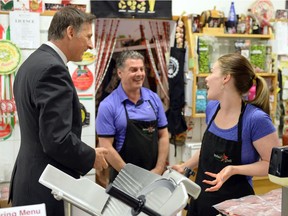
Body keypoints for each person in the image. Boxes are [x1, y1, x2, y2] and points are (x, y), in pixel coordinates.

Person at [9, 6, 108, 216]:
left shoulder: (31, 63)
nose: (91, 44)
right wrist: (91, 157)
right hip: (43, 186)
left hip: (28, 179)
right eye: (88, 36)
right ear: (70, 32)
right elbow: (56, 139)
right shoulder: (53, 69)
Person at [172, 53, 280, 216]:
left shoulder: (255, 120)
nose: (207, 79)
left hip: (234, 208)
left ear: (226, 78)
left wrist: (233, 169)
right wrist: (185, 166)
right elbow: (209, 151)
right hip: (200, 201)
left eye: (212, 72)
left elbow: (272, 166)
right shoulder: (212, 108)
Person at [96, 50, 169, 183]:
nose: (140, 74)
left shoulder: (153, 99)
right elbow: (106, 146)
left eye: (141, 69)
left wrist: (158, 169)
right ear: (120, 73)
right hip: (123, 179)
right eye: (133, 70)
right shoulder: (108, 105)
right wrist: (130, 175)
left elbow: (163, 135)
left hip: (153, 177)